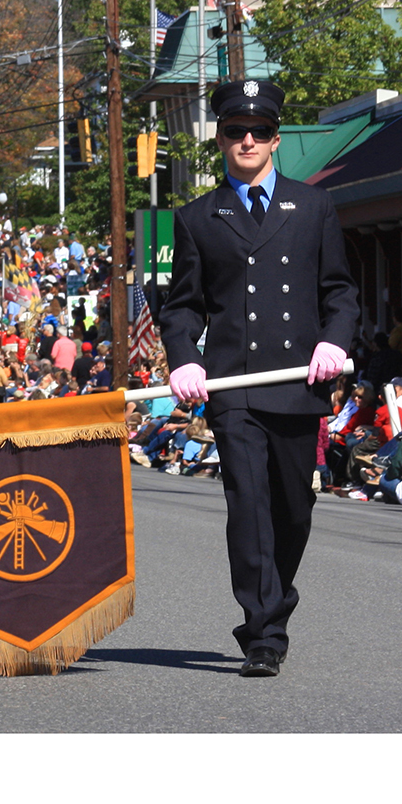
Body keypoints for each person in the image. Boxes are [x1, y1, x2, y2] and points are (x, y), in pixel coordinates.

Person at [158, 79, 358, 679]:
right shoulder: (194, 217)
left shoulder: (314, 206)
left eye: (260, 131)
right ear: (219, 138)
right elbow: (181, 305)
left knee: (293, 510)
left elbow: (340, 291)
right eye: (235, 131)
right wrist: (184, 357)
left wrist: (333, 340)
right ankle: (263, 631)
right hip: (234, 386)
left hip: (300, 379)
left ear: (275, 138)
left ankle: (276, 598)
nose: (247, 140)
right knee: (248, 504)